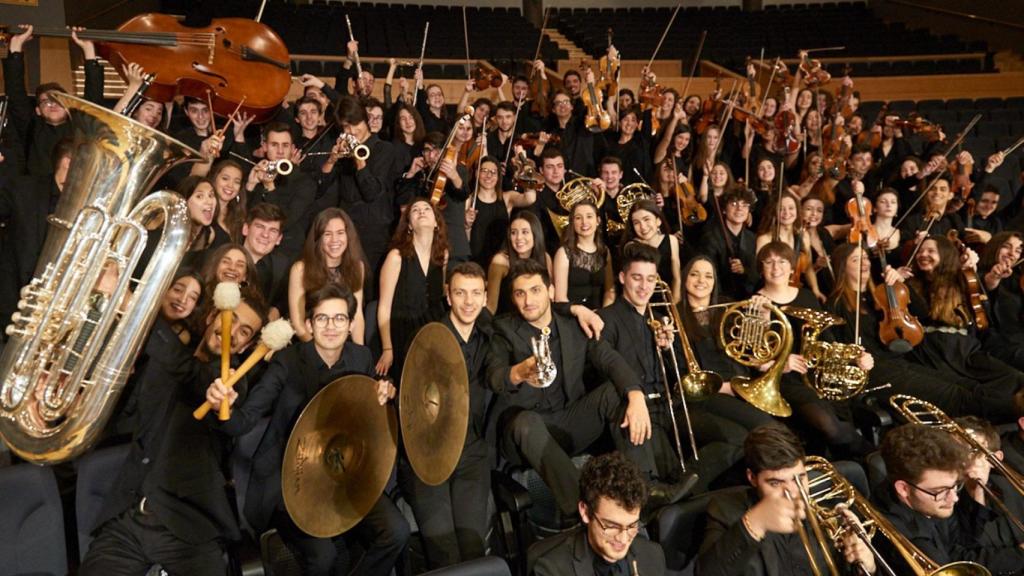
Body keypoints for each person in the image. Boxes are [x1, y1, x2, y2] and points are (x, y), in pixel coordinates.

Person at [210, 283, 408, 576]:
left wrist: (385, 392)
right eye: (322, 318)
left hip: (343, 475)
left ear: (351, 324)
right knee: (323, 556)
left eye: (340, 318)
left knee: (397, 531)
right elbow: (243, 421)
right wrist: (222, 409)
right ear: (308, 324)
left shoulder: (361, 358)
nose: (331, 326)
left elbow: (371, 416)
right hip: (292, 481)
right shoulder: (286, 362)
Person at [80, 286, 267, 576]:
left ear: (244, 347)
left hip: (188, 528)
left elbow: (200, 380)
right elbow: (120, 417)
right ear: (211, 318)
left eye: (243, 332)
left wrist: (135, 303)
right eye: (230, 318)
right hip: (129, 517)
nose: (231, 331)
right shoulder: (164, 364)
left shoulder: (231, 383)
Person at [486, 258, 689, 526]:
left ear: (549, 291)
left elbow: (610, 359)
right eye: (520, 293)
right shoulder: (503, 329)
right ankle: (582, 507)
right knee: (525, 422)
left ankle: (646, 488)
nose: (528, 300)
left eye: (535, 290)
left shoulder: (573, 326)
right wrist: (519, 372)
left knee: (614, 393)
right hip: (524, 433)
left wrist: (635, 395)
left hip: (567, 423)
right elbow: (495, 376)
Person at [599, 242, 736, 493]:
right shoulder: (606, 318)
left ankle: (686, 486)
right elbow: (605, 369)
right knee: (652, 481)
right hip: (634, 408)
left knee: (732, 441)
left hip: (668, 405)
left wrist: (666, 348)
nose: (644, 286)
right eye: (637, 278)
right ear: (622, 277)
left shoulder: (661, 319)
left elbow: (675, 375)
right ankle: (675, 491)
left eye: (651, 279)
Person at [397, 262, 492, 569]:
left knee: (474, 549)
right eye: (461, 293)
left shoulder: (491, 338)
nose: (468, 301)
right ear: (448, 296)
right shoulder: (426, 339)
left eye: (476, 293)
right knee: (445, 555)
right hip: (427, 458)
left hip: (471, 454)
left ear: (485, 296)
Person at [697, 422, 878, 576]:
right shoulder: (726, 510)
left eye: (799, 478)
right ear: (752, 478)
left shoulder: (828, 508)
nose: (792, 492)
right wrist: (755, 523)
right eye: (776, 483)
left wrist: (866, 567)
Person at [875, 423, 1024, 572]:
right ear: (903, 489)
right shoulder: (912, 542)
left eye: (955, 485)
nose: (954, 498)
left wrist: (975, 491)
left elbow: (961, 548)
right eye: (941, 490)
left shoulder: (930, 498)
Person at [531, 452, 667, 576]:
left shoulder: (653, 556)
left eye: (632, 526)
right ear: (585, 511)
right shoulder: (551, 571)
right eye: (612, 526)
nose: (623, 539)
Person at [2, 25, 103, 178]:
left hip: (73, 192)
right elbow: (15, 93)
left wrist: (88, 49)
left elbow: (93, 99)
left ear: (68, 106)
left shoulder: (79, 128)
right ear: (38, 110)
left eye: (57, 100)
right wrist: (16, 45)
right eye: (45, 102)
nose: (52, 104)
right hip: (35, 196)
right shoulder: (31, 127)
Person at [319, 96, 399, 273]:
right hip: (347, 229)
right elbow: (320, 188)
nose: (352, 131)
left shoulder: (384, 149)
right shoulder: (343, 152)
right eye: (346, 127)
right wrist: (332, 160)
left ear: (366, 120)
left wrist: (359, 160)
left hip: (374, 233)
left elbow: (371, 192)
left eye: (356, 124)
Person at [376, 199, 449, 381]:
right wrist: (387, 349)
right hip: (403, 332)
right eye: (415, 210)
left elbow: (438, 293)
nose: (421, 211)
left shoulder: (443, 255)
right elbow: (384, 307)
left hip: (433, 330)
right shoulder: (396, 257)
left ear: (436, 223)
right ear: (409, 225)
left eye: (426, 209)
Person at [288, 208, 367, 345]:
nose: (334, 240)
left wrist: (359, 351)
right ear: (318, 238)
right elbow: (298, 322)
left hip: (344, 342)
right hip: (311, 343)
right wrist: (321, 352)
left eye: (340, 233)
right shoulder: (300, 269)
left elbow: (357, 315)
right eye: (327, 234)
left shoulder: (357, 267)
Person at [246, 122, 317, 259]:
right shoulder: (257, 173)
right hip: (251, 250)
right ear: (265, 147)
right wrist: (250, 186)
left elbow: (285, 221)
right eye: (274, 145)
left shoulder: (305, 182)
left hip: (285, 255)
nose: (280, 151)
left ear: (292, 148)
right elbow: (243, 216)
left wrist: (270, 187)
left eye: (285, 145)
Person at [465, 155, 537, 269]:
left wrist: (526, 174)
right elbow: (464, 238)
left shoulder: (507, 198)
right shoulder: (468, 200)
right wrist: (467, 225)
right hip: (475, 263)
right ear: (476, 173)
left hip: (503, 263)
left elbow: (530, 198)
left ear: (499, 176)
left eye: (493, 172)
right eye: (484, 171)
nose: (489, 175)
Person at [487, 211, 553, 315]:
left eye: (525, 232)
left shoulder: (545, 258)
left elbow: (549, 298)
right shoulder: (500, 260)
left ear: (535, 234)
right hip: (508, 322)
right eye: (513, 232)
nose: (518, 238)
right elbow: (491, 306)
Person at [699, 187, 760, 300]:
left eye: (744, 205)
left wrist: (744, 270)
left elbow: (757, 275)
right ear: (724, 209)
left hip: (747, 298)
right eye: (734, 204)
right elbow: (709, 273)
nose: (739, 209)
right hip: (719, 298)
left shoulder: (752, 238)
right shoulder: (710, 238)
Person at [553, 200, 615, 310]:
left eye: (589, 216)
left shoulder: (605, 252)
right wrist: (584, 315)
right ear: (573, 223)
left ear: (598, 221)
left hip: (600, 316)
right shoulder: (563, 253)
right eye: (578, 218)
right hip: (572, 317)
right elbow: (560, 298)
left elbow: (610, 291)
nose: (584, 222)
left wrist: (604, 315)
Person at [623, 199, 683, 303]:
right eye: (636, 223)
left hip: (667, 298)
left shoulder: (671, 240)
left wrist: (675, 304)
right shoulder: (631, 247)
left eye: (646, 219)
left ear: (658, 221)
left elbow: (677, 278)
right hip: (640, 299)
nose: (643, 227)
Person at [241, 203, 289, 313]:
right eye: (260, 227)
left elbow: (284, 300)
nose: (265, 235)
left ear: (279, 239)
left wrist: (276, 311)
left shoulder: (281, 267)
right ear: (245, 229)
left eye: (273, 231)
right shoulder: (223, 257)